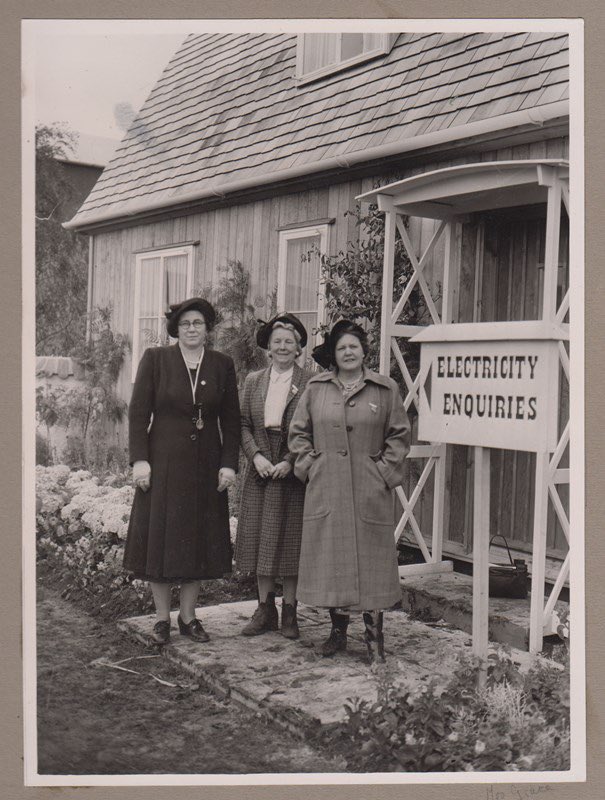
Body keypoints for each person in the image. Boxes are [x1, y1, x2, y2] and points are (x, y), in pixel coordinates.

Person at [288, 319, 410, 662]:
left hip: (368, 490)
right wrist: (311, 467)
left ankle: (375, 640)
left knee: (372, 562)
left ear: (363, 350)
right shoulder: (316, 388)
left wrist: (383, 473)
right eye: (341, 347)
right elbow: (298, 433)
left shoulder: (385, 390)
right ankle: (337, 633)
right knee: (333, 560)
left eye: (353, 346)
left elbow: (399, 436)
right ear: (334, 354)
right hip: (328, 487)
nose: (348, 352)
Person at [124, 297, 240, 645]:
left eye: (199, 323)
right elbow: (138, 413)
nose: (192, 329)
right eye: (186, 323)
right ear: (176, 329)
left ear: (207, 329)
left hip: (206, 467)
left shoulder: (221, 364)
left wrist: (228, 464)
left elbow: (232, 421)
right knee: (160, 541)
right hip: (163, 465)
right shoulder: (157, 360)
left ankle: (189, 618)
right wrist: (140, 460)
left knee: (199, 541)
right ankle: (162, 620)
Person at [235, 314, 313, 639]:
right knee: (259, 541)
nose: (282, 347)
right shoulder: (254, 380)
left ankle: (290, 612)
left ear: (298, 349)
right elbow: (242, 424)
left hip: (291, 473)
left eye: (289, 342)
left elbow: (313, 427)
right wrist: (255, 456)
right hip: (260, 472)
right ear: (269, 347)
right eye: (277, 341)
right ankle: (264, 608)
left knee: (290, 543)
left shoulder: (310, 382)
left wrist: (290, 460)